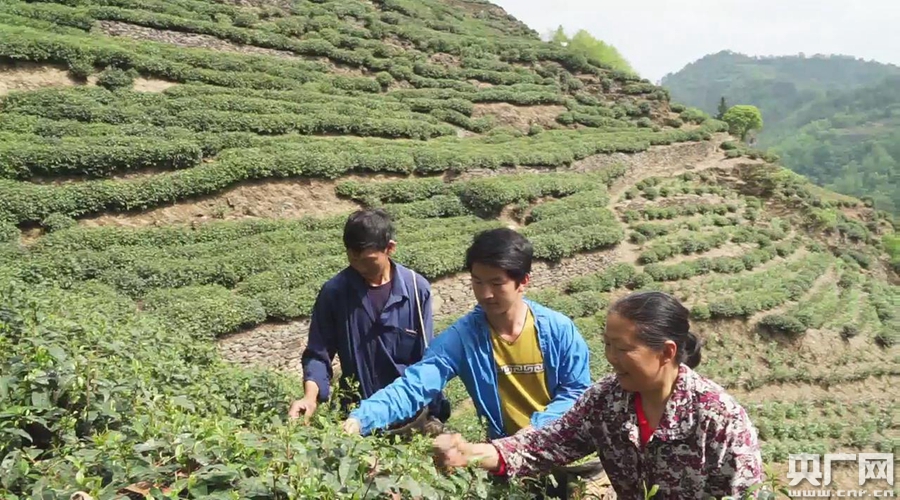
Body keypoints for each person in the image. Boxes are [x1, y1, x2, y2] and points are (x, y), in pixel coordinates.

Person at [431, 291, 765, 500]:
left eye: (622, 348)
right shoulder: (607, 400)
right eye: (607, 344)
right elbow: (543, 446)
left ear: (666, 352)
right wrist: (470, 454)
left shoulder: (718, 418)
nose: (610, 357)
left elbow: (744, 494)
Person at [341, 227, 594, 497]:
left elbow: (576, 392)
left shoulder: (558, 330)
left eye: (497, 284)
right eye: (477, 282)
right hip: (503, 460)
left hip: (563, 453)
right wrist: (360, 419)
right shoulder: (463, 337)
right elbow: (414, 385)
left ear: (523, 282)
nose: (485, 294)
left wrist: (536, 428)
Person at [289, 208, 450, 434]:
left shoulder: (416, 288)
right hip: (356, 421)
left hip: (409, 416)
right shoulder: (335, 293)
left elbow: (426, 358)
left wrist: (434, 412)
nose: (358, 266)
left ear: (390, 248)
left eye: (367, 260)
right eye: (352, 258)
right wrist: (309, 397)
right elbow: (319, 353)